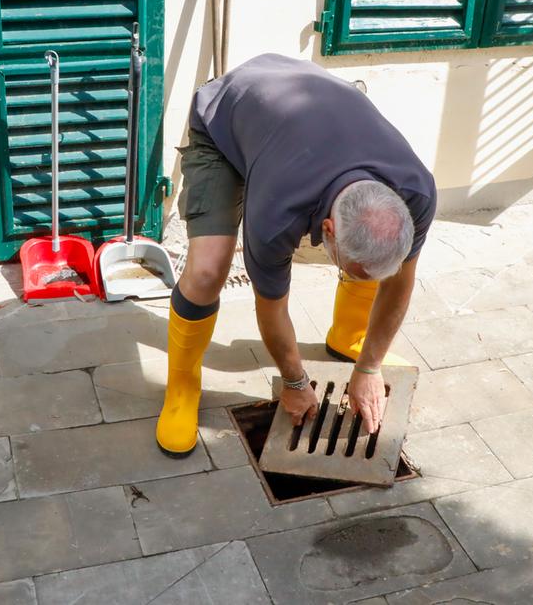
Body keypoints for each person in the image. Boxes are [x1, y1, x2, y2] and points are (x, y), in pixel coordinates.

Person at [156, 54, 436, 458]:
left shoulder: (416, 193)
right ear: (328, 229)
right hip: (227, 120)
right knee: (206, 270)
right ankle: (182, 385)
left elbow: (400, 282)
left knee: (371, 258)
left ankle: (348, 338)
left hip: (299, 114)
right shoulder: (276, 213)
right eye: (352, 271)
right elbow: (271, 306)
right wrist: (293, 382)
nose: (366, 280)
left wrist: (369, 367)